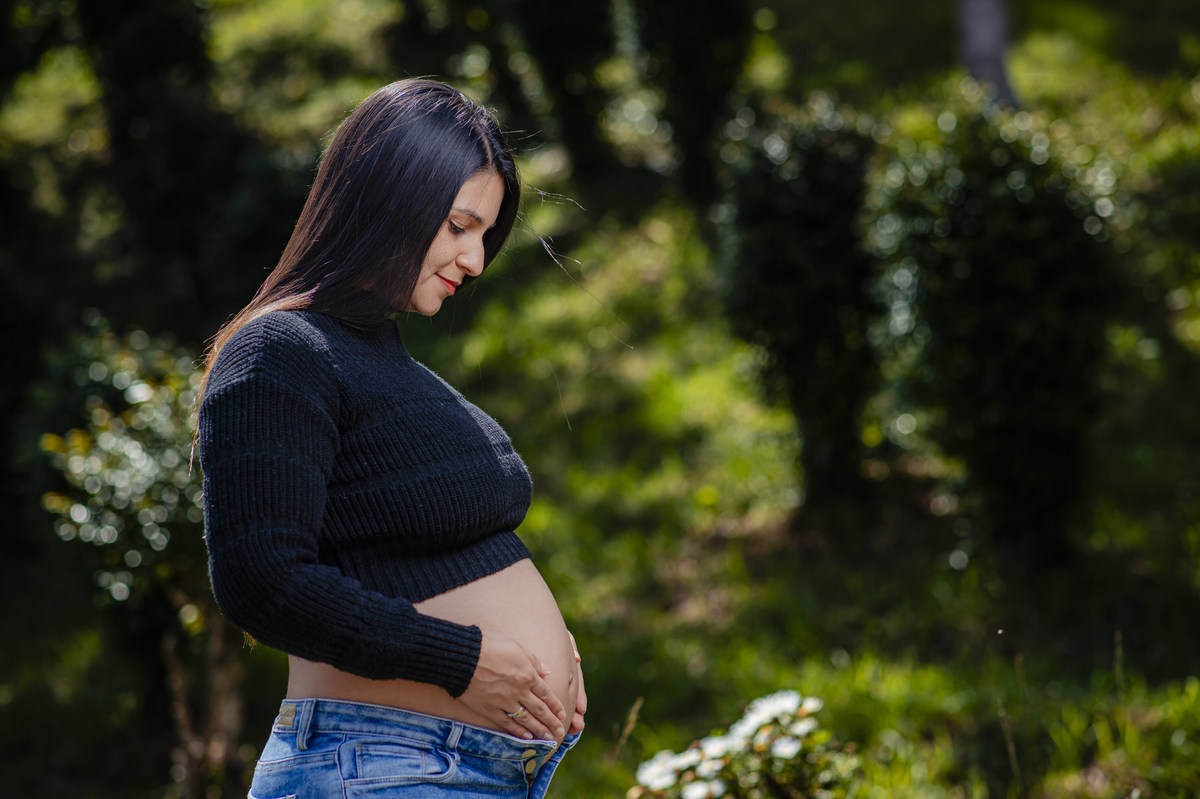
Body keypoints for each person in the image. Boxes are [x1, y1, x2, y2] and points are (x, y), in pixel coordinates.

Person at [197, 78, 586, 799]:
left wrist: (542, 662)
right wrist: (462, 660)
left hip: (452, 766)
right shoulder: (281, 350)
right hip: (377, 763)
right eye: (460, 226)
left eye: (484, 235)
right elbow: (262, 580)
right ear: (390, 196)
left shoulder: (384, 359)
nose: (475, 260)